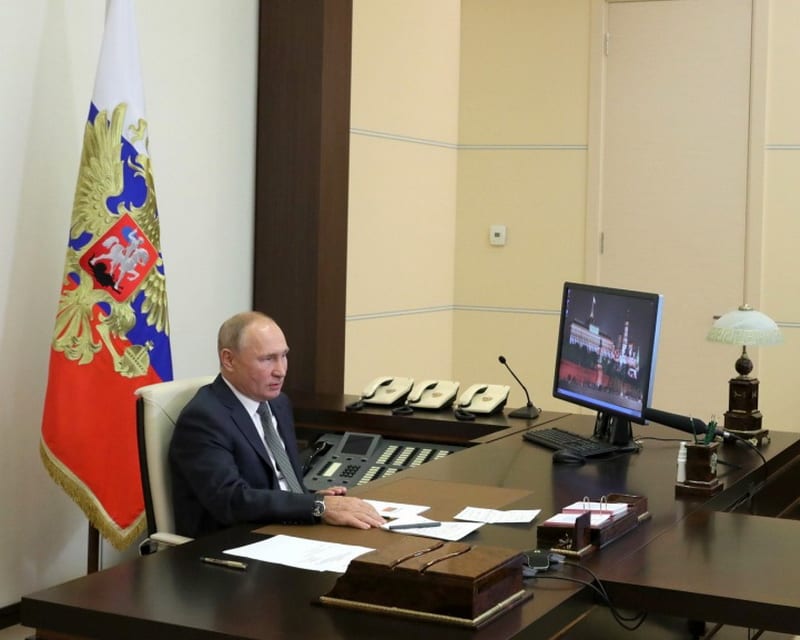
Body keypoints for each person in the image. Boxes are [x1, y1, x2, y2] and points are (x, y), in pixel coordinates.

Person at [169, 311, 386, 538]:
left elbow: (279, 482)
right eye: (267, 359)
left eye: (284, 356)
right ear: (229, 360)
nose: (280, 371)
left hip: (286, 528)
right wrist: (314, 506)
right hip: (236, 541)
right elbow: (230, 501)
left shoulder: (278, 403)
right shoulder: (204, 418)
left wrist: (311, 499)